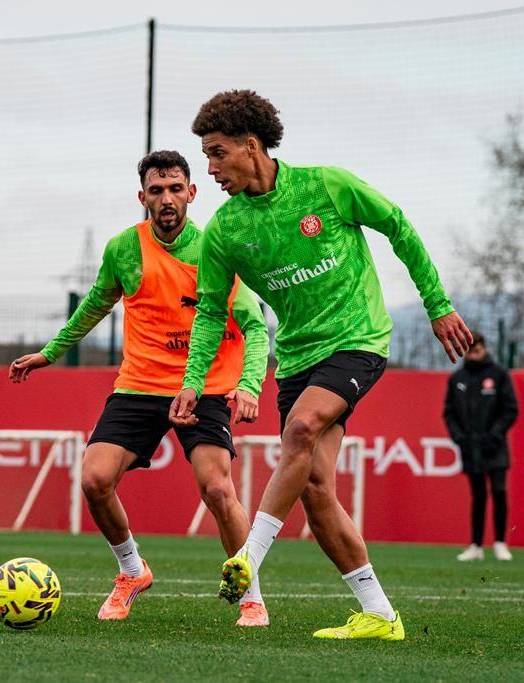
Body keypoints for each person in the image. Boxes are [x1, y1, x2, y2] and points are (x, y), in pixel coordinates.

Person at [169, 90, 473, 641]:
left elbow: (398, 226)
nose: (209, 169)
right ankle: (380, 614)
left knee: (301, 427)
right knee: (313, 487)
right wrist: (193, 382)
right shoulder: (225, 232)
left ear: (251, 145)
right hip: (299, 358)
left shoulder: (326, 186)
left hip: (358, 339)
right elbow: (212, 313)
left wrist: (438, 305)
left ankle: (249, 558)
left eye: (216, 153)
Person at [9, 150, 272, 626]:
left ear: (192, 193)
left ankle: (251, 594)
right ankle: (132, 571)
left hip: (206, 387)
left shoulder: (218, 248)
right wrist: (50, 352)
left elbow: (255, 327)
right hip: (140, 384)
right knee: (94, 479)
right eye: (156, 190)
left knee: (217, 487)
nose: (166, 199)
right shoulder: (123, 250)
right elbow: (94, 305)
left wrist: (250, 385)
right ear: (142, 197)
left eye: (175, 189)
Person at [443, 331, 519, 562]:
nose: (474, 354)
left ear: (484, 348)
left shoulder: (498, 374)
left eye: (478, 349)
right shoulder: (457, 379)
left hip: (494, 447)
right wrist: (460, 438)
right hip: (471, 448)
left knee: (498, 492)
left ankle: (500, 543)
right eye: (470, 350)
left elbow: (510, 409)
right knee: (478, 496)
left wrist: (495, 435)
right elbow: (449, 413)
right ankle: (476, 545)